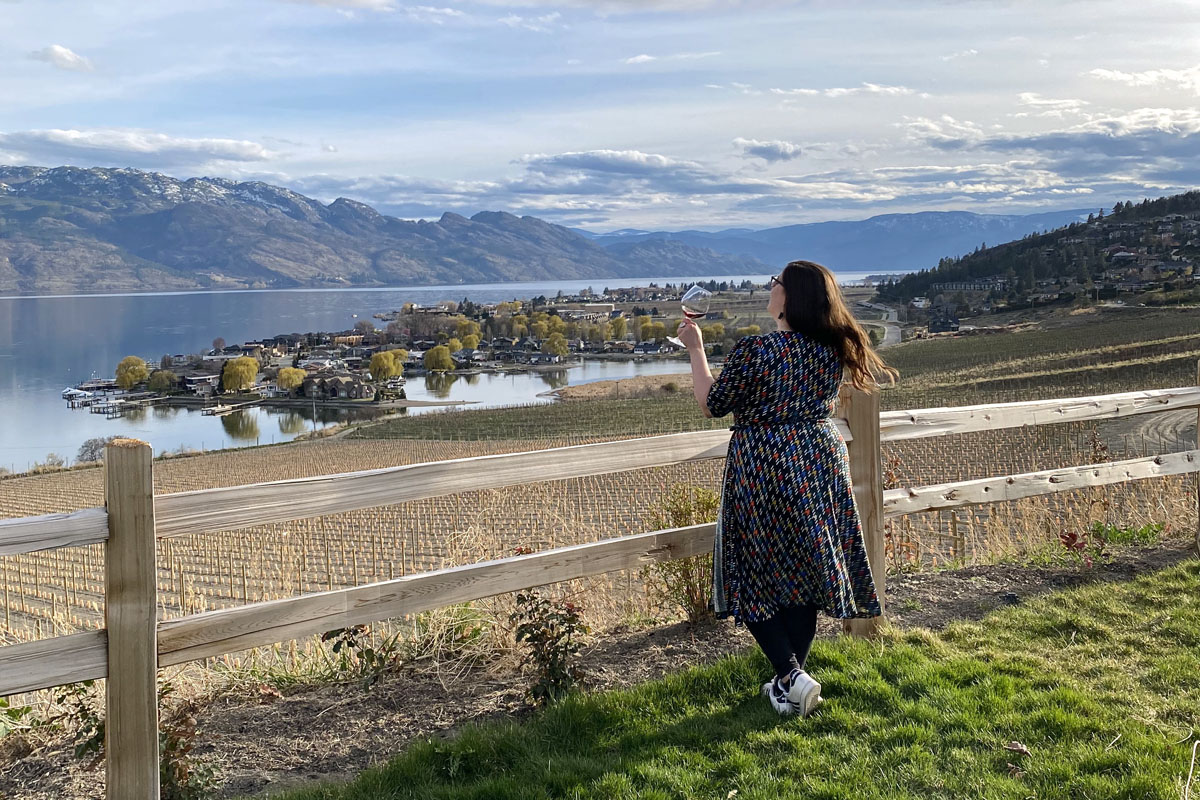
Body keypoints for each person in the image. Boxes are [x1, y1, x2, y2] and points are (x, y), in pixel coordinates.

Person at [676, 260, 898, 717]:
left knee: (753, 570)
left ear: (789, 297)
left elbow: (712, 404)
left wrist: (695, 348)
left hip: (764, 465)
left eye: (774, 282)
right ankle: (790, 685)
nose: (769, 287)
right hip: (818, 458)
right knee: (804, 569)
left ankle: (790, 675)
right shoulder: (831, 348)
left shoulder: (756, 350)